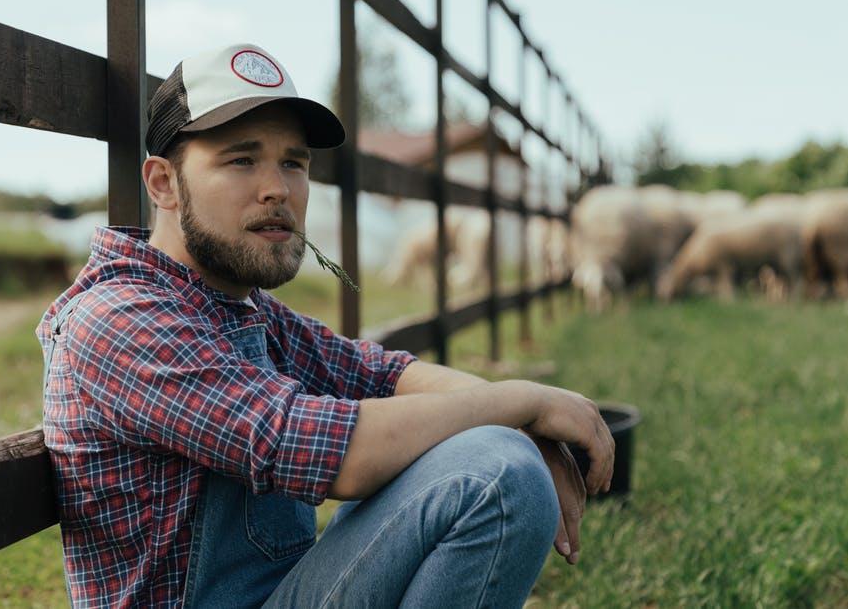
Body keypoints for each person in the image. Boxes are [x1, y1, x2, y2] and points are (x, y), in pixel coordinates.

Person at [38, 42, 615, 608]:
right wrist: (522, 404)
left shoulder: (242, 309)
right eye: (242, 159)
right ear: (163, 183)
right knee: (497, 476)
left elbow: (387, 375)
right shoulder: (118, 320)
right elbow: (323, 448)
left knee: (495, 450)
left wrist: (528, 424)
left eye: (293, 162)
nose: (279, 189)